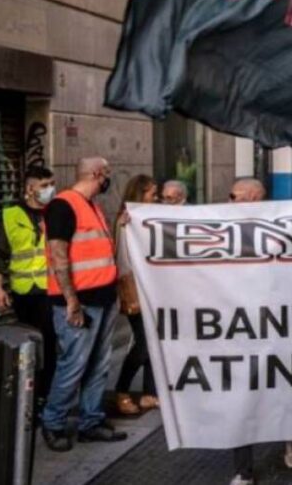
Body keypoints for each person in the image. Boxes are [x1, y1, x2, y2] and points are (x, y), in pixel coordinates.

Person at [40, 157, 125, 451]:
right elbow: (57, 256)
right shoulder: (63, 206)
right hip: (80, 304)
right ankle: (52, 422)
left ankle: (91, 422)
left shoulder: (93, 207)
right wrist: (71, 301)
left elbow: (99, 251)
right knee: (73, 366)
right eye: (107, 175)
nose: (107, 181)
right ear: (97, 174)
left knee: (99, 366)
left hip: (103, 298)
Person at [227, 177, 292, 483]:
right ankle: (242, 470)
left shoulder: (280, 225)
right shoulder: (218, 225)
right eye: (231, 197)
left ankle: (291, 436)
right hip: (237, 329)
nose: (231, 202)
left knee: (283, 385)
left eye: (237, 197)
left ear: (255, 199)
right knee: (239, 397)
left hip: (276, 325)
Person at [0, 165, 58, 410]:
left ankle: (45, 398)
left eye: (52, 184)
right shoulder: (10, 216)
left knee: (50, 346)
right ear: (30, 188)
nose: (51, 190)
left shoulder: (56, 212)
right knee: (30, 349)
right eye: (45, 185)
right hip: (24, 294)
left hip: (52, 291)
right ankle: (28, 397)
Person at [113, 175, 159, 416]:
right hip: (137, 291)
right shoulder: (127, 221)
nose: (157, 197)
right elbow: (124, 261)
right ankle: (122, 390)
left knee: (152, 343)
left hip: (151, 291)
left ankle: (149, 394)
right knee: (144, 344)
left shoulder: (145, 218)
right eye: (153, 193)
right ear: (141, 194)